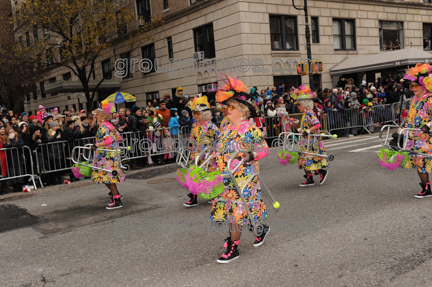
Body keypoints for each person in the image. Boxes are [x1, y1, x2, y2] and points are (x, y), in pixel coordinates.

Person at [212, 76, 270, 263]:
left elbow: (264, 148)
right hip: (225, 176)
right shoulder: (226, 129)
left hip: (244, 177)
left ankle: (233, 247)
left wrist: (251, 155)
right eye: (225, 107)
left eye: (229, 107)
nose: (225, 110)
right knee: (237, 210)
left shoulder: (250, 129)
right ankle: (260, 229)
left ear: (241, 110)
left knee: (237, 211)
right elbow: (221, 149)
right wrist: (214, 158)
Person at [400, 63, 432, 198]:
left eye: (415, 85)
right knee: (420, 161)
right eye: (411, 86)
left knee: (425, 160)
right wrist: (404, 124)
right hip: (415, 136)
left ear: (424, 85)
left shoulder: (430, 99)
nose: (412, 88)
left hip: (428, 136)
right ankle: (426, 187)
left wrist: (428, 126)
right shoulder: (413, 99)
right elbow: (411, 115)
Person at [183, 96, 221, 208]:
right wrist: (190, 143)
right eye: (195, 113)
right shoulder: (195, 126)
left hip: (208, 156)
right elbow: (192, 137)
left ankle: (213, 195)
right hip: (196, 155)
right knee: (194, 176)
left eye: (198, 113)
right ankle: (193, 198)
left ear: (204, 114)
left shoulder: (210, 125)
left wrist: (216, 150)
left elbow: (220, 137)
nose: (195, 116)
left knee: (209, 176)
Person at [91, 106, 125, 209]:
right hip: (112, 155)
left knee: (107, 178)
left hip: (106, 157)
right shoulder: (110, 125)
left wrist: (97, 145)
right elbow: (118, 137)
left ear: (101, 116)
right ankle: (116, 194)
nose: (95, 117)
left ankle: (117, 199)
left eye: (96, 115)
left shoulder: (103, 127)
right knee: (106, 177)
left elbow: (108, 140)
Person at [296, 85, 329, 187]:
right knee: (303, 158)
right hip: (305, 141)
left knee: (310, 158)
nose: (298, 107)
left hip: (311, 141)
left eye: (299, 105)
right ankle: (309, 178)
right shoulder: (305, 113)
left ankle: (321, 172)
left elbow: (317, 124)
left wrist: (308, 131)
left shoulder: (309, 113)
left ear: (305, 105)